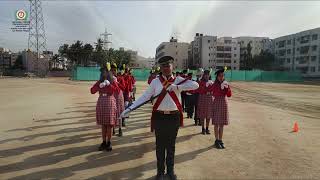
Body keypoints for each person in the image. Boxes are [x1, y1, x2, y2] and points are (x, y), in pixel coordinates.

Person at [120, 56, 199, 180]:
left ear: (172, 66)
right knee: (160, 146)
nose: (166, 68)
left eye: (168, 65)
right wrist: (129, 108)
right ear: (160, 68)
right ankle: (160, 172)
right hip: (159, 117)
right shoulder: (155, 82)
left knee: (171, 145)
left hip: (174, 117)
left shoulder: (178, 80)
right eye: (163, 66)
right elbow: (145, 97)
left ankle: (171, 171)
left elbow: (195, 85)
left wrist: (177, 87)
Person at [90, 66, 119, 151]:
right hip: (102, 102)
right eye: (102, 72)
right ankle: (103, 142)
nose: (103, 73)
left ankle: (109, 142)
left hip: (110, 101)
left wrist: (109, 84)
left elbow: (117, 91)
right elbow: (92, 91)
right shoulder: (100, 81)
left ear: (108, 72)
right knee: (103, 124)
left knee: (109, 125)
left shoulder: (112, 81)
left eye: (105, 71)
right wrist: (99, 86)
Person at [209, 69, 232, 149]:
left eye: (222, 76)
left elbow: (229, 95)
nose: (221, 77)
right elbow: (214, 93)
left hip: (224, 103)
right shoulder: (214, 84)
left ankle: (220, 140)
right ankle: (216, 140)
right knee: (216, 123)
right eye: (219, 76)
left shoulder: (226, 83)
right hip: (217, 102)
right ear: (217, 77)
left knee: (222, 124)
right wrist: (220, 88)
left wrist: (226, 88)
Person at [196, 70, 214, 135]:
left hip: (209, 99)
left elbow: (214, 91)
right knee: (202, 114)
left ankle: (207, 128)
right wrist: (205, 89)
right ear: (203, 75)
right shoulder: (200, 82)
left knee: (208, 114)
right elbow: (198, 90)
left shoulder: (212, 82)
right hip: (202, 99)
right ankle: (203, 128)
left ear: (209, 75)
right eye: (205, 74)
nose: (207, 76)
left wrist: (210, 90)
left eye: (208, 74)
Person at [111, 64, 126, 137]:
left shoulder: (120, 78)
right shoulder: (109, 78)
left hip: (119, 96)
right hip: (112, 96)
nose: (113, 71)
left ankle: (120, 129)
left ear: (117, 70)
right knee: (112, 113)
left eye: (114, 70)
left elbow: (123, 88)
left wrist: (117, 82)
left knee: (119, 113)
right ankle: (113, 129)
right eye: (112, 70)